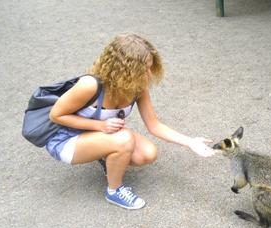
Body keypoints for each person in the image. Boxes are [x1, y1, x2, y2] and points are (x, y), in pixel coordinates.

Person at [46, 33, 215, 210]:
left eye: (151, 67)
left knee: (147, 153)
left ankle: (106, 155)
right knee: (125, 138)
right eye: (144, 70)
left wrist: (190, 142)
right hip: (66, 138)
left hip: (99, 134)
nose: (150, 74)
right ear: (123, 70)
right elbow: (56, 116)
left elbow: (154, 125)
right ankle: (114, 191)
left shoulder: (137, 87)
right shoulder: (90, 85)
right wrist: (100, 126)